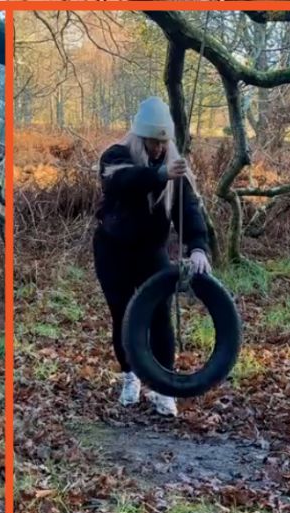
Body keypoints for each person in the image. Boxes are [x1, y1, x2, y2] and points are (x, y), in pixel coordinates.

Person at [92, 96, 211, 417]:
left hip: (151, 251)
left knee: (159, 314)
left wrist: (198, 247)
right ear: (139, 137)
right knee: (123, 314)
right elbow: (123, 182)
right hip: (112, 250)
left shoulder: (175, 166)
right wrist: (159, 175)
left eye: (163, 142)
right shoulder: (115, 156)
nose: (158, 149)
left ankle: (162, 386)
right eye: (152, 142)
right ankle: (130, 376)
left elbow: (188, 209)